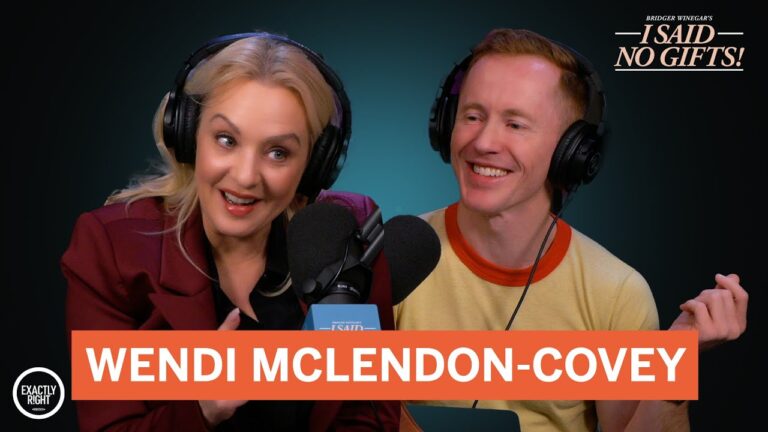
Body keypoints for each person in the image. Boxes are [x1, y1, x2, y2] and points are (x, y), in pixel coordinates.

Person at [394, 29, 748, 432]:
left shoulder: (615, 293)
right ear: (445, 126)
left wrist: (671, 365)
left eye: (515, 124)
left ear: (573, 152)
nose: (485, 141)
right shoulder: (392, 258)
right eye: (472, 116)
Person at [62, 32, 399, 431]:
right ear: (189, 135)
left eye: (278, 152)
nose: (245, 176)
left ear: (313, 166)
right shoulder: (113, 249)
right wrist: (202, 408)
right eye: (226, 140)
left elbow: (365, 414)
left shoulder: (345, 235)